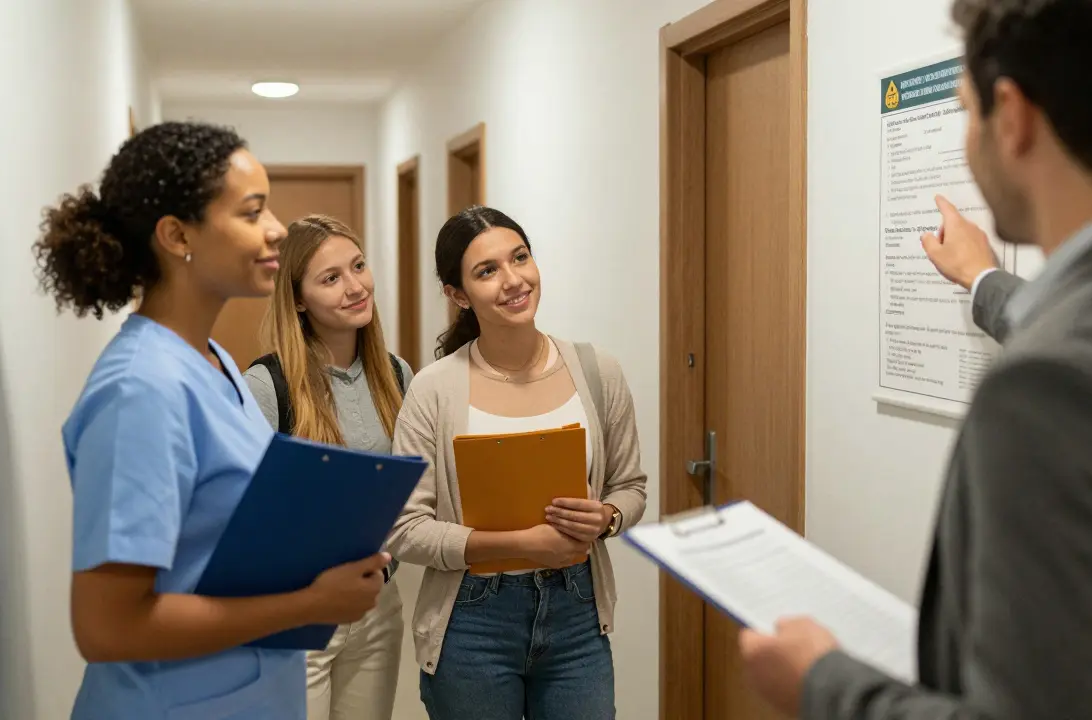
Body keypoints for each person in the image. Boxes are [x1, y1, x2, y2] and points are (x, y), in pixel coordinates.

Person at [738, 1, 1092, 718]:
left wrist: (820, 683)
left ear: (1011, 117)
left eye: (964, 110)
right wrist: (983, 281)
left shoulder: (1051, 390)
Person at [37, 121, 390, 720]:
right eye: (252, 212)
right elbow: (106, 627)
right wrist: (308, 604)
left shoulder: (213, 361)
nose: (276, 229)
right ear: (177, 235)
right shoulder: (141, 390)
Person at [386, 206, 647, 719]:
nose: (513, 280)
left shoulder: (597, 370)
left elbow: (630, 487)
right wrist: (521, 545)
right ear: (458, 295)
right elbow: (405, 528)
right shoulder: (434, 389)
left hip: (577, 612)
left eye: (520, 258)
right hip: (471, 620)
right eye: (487, 271)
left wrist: (607, 517)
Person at [242, 214, 413, 720]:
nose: (355, 287)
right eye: (331, 278)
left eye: (358, 266)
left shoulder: (397, 374)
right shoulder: (266, 386)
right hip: (298, 612)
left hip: (377, 603)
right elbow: (245, 514)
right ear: (298, 300)